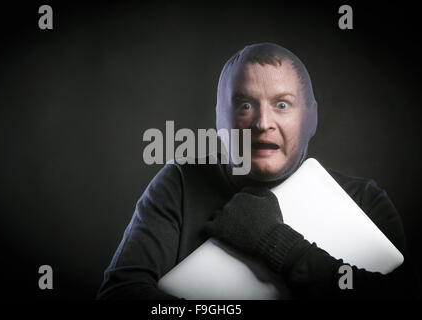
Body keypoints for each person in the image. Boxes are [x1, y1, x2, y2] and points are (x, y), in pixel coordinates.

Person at [97, 43, 420, 299]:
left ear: (310, 117)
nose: (262, 123)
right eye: (245, 105)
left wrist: (276, 243)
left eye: (282, 104)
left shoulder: (364, 199)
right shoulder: (181, 182)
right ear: (219, 118)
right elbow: (120, 292)